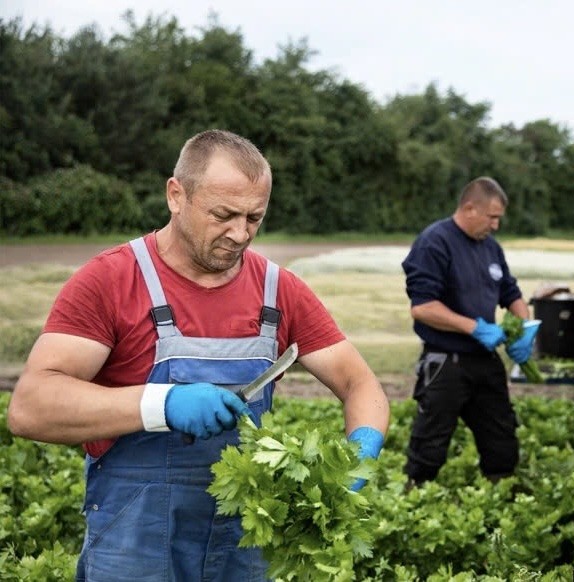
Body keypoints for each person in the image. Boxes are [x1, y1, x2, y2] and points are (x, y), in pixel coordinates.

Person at [6, 129, 390, 581]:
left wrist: (358, 456)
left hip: (242, 544)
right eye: (223, 214)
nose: (239, 233)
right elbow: (30, 407)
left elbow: (360, 384)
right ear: (176, 195)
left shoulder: (278, 290)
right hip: (135, 544)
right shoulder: (110, 281)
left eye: (254, 217)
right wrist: (162, 404)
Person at [401, 176, 539, 486]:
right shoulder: (434, 242)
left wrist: (525, 326)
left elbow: (511, 293)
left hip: (484, 360)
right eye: (492, 217)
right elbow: (423, 307)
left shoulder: (491, 248)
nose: (496, 225)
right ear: (469, 208)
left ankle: (500, 490)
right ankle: (415, 498)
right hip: (446, 362)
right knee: (430, 443)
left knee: (501, 437)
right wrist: (474, 327)